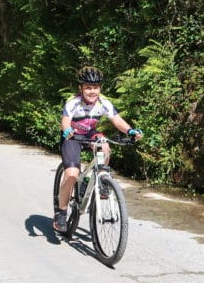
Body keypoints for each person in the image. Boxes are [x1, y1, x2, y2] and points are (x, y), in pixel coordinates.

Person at [54, 66, 142, 233]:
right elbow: (65, 120)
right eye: (88, 87)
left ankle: (101, 180)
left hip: (89, 134)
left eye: (95, 87)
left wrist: (131, 131)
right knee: (72, 174)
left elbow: (117, 121)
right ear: (81, 88)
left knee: (104, 144)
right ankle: (61, 212)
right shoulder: (74, 102)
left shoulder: (103, 102)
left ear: (100, 88)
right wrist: (66, 130)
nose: (92, 91)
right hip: (72, 136)